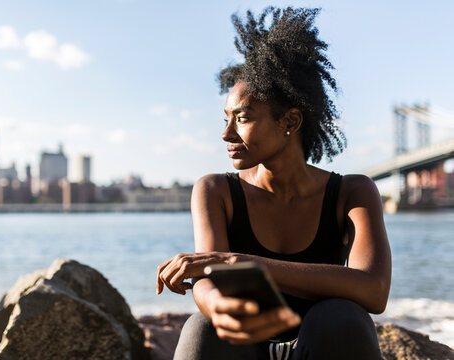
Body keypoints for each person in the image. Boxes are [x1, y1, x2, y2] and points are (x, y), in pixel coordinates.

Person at [156, 6, 391, 360]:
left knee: (343, 317)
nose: (226, 134)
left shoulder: (352, 193)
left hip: (320, 345)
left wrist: (239, 262)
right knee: (202, 328)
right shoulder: (216, 190)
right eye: (226, 119)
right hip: (243, 347)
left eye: (243, 118)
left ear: (290, 121)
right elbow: (206, 279)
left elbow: (373, 291)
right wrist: (216, 304)